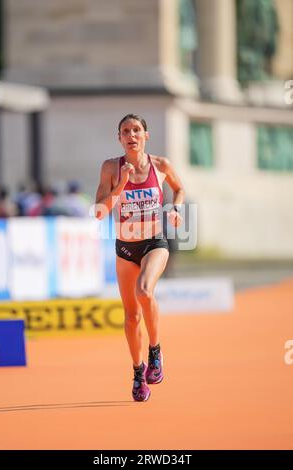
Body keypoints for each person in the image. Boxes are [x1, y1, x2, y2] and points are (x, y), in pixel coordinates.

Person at [95, 114, 185, 402]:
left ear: (146, 135)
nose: (131, 135)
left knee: (144, 291)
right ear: (119, 138)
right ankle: (137, 372)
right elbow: (99, 211)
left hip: (154, 243)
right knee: (132, 316)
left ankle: (155, 351)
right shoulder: (111, 167)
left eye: (136, 130)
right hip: (125, 248)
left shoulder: (161, 165)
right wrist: (119, 185)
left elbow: (179, 189)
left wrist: (176, 209)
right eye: (125, 131)